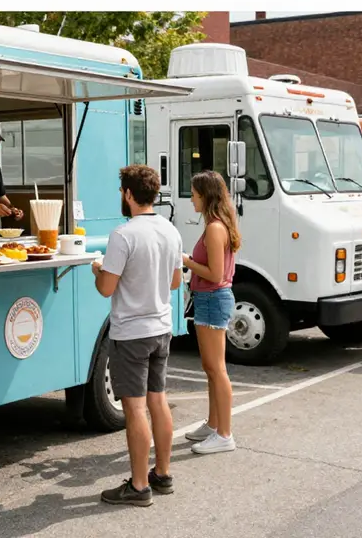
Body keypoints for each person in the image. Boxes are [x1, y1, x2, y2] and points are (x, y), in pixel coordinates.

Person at [92, 165, 183, 507]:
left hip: (131, 333)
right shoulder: (170, 230)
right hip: (161, 328)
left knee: (134, 409)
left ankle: (139, 486)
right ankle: (162, 474)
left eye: (121, 192)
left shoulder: (123, 235)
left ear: (129, 194)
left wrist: (98, 270)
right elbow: (175, 281)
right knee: (157, 401)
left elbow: (106, 289)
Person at [181, 170, 240, 454]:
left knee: (217, 369)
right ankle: (214, 424)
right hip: (208, 299)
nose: (191, 198)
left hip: (213, 298)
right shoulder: (215, 224)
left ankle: (224, 434)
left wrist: (186, 261)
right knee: (210, 368)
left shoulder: (216, 228)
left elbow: (215, 274)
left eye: (194, 193)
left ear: (205, 195)